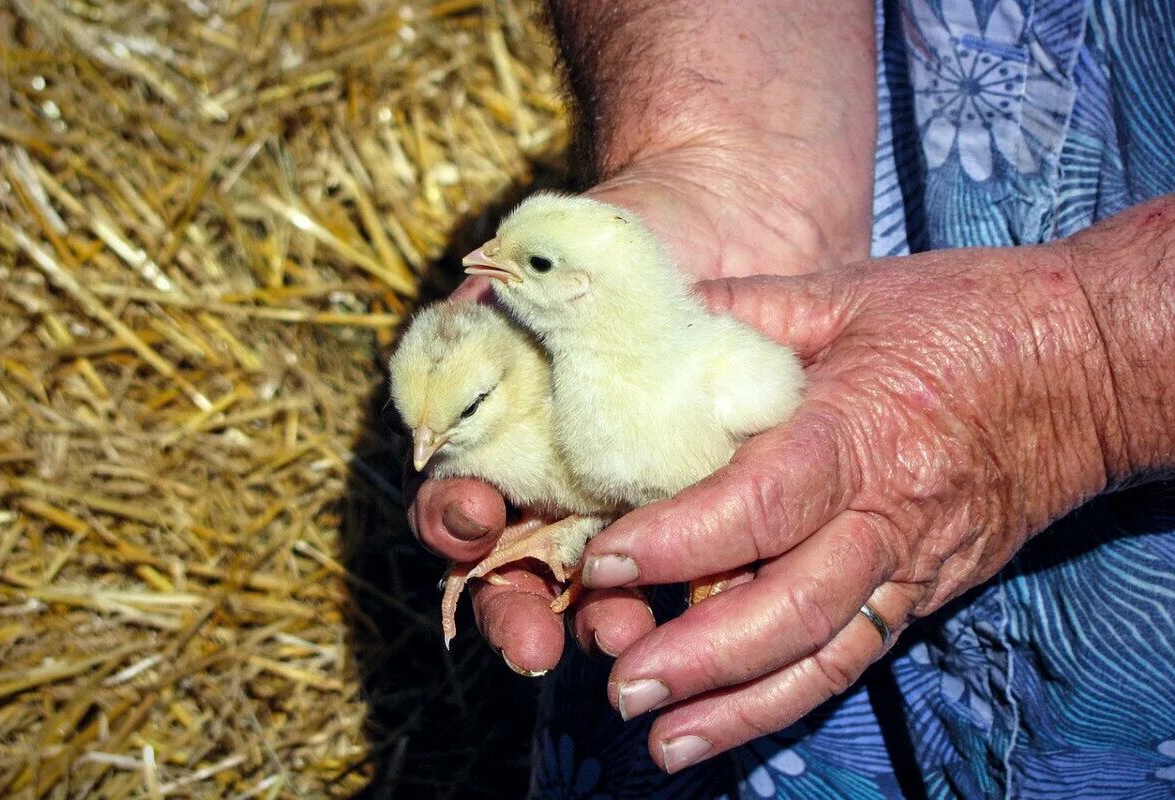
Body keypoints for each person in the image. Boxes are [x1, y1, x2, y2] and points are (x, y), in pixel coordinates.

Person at [410, 0, 1175, 796]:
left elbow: (767, 397)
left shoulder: (717, 374)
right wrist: (721, 152)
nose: (488, 262)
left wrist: (1098, 365)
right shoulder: (590, 363)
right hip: (854, 188)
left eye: (528, 264)